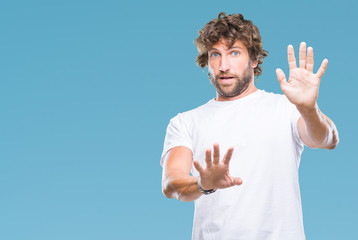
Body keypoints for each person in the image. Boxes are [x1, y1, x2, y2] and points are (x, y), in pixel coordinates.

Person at [160, 12, 339, 240]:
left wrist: (308, 108)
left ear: (253, 59)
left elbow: (327, 139)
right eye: (215, 55)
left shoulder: (285, 107)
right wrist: (203, 183)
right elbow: (171, 184)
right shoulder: (185, 121)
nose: (223, 65)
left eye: (234, 53)